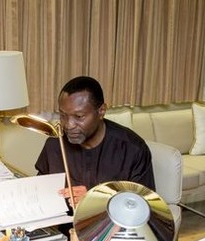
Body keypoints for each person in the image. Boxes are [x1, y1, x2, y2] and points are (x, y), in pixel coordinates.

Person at [35, 76, 155, 207]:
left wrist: (97, 200)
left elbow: (143, 206)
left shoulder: (132, 149)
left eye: (79, 117)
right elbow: (41, 189)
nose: (68, 125)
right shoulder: (55, 144)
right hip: (62, 225)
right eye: (63, 115)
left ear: (101, 111)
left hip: (110, 224)